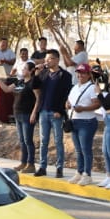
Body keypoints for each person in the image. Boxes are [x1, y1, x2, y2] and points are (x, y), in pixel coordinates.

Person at [31, 49, 72, 178]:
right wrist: (36, 73)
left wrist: (60, 111)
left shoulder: (65, 75)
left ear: (57, 60)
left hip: (56, 113)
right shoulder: (43, 74)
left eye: (50, 59)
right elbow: (33, 86)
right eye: (46, 59)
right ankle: (42, 167)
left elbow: (65, 95)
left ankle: (59, 167)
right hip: (44, 111)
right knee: (43, 141)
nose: (47, 61)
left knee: (58, 141)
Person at [0, 61, 37, 173]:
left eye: (25, 68)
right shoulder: (19, 82)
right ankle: (23, 162)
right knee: (21, 140)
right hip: (18, 113)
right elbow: (6, 89)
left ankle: (31, 164)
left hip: (27, 114)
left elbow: (38, 99)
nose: (22, 70)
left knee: (28, 140)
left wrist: (34, 112)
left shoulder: (33, 82)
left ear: (31, 71)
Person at [67, 63, 101, 185]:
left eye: (83, 73)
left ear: (88, 74)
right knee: (78, 150)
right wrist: (68, 105)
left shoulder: (91, 87)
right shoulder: (75, 87)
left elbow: (97, 104)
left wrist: (84, 108)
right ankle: (79, 172)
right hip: (75, 120)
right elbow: (69, 100)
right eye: (79, 72)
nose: (80, 75)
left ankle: (87, 174)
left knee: (86, 149)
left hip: (87, 121)